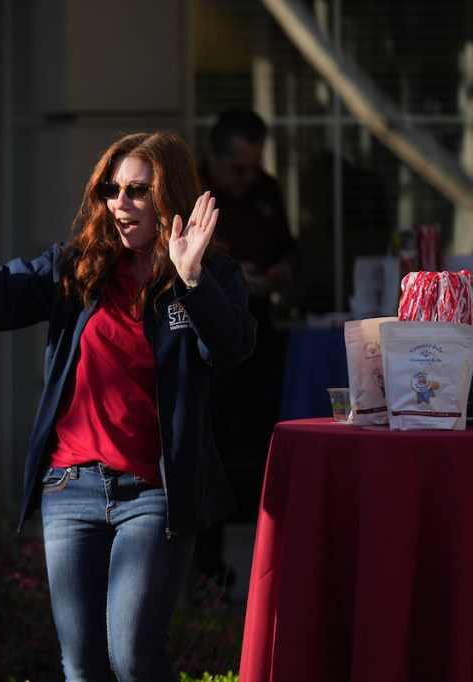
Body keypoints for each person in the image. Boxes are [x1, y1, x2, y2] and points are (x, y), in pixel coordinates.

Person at [0, 132, 256, 682]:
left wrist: (191, 279)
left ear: (171, 197)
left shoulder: (211, 277)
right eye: (112, 190)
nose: (121, 204)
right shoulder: (79, 266)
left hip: (155, 494)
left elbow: (232, 350)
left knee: (134, 658)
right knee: (83, 668)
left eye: (139, 191)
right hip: (71, 491)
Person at [195, 110, 295, 599]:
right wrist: (231, 279)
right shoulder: (189, 190)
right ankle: (207, 572)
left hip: (258, 332)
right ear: (212, 158)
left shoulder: (265, 191)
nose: (248, 178)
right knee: (207, 449)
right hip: (209, 337)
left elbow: (289, 249)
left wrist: (278, 272)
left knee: (265, 449)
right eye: (238, 169)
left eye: (254, 168)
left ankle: (271, 570)